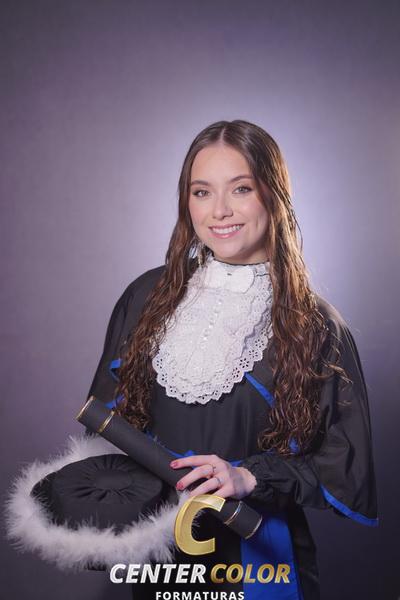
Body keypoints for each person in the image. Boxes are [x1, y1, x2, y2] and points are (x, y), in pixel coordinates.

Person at [84, 119, 378, 600]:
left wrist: (249, 476)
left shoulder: (316, 325)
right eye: (202, 192)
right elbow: (108, 427)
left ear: (274, 196)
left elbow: (342, 466)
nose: (219, 210)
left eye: (241, 188)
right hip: (162, 560)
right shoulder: (146, 297)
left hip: (259, 564)